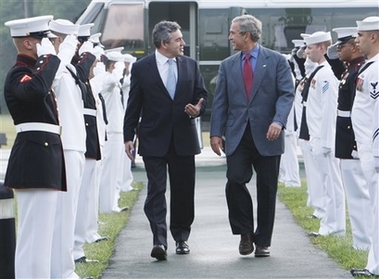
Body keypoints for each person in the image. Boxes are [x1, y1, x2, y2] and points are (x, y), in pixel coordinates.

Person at [210, 14, 294, 257]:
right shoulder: (227, 65)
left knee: (267, 190)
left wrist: (278, 120)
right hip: (237, 135)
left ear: (246, 35)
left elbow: (286, 94)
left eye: (233, 33)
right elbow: (220, 101)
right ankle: (245, 232)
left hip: (268, 135)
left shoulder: (277, 61)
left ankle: (263, 241)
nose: (229, 37)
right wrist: (216, 132)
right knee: (235, 180)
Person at [123, 20, 208, 260]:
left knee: (183, 191)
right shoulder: (142, 68)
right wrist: (128, 136)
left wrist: (198, 109)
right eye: (179, 39)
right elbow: (134, 104)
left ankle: (181, 237)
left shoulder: (191, 65)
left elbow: (202, 95)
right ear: (163, 43)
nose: (184, 43)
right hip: (153, 139)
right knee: (156, 190)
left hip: (183, 139)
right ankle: (159, 240)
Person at [3, 15, 66, 278]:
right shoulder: (20, 74)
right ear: (29, 43)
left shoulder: (33, 73)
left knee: (41, 235)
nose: (50, 45)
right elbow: (36, 90)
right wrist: (48, 59)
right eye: (44, 40)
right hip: (34, 157)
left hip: (42, 155)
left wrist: (47, 61)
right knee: (34, 235)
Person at [330, 27, 372, 250]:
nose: (338, 50)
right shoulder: (350, 70)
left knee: (359, 194)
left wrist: (356, 143)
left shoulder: (358, 72)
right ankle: (361, 242)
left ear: (355, 46)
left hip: (352, 139)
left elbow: (361, 112)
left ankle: (365, 243)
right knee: (354, 194)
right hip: (346, 137)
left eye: (342, 46)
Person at [303, 31, 346, 237]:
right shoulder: (318, 72)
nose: (306, 51)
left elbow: (329, 109)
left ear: (321, 48)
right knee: (326, 182)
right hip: (317, 136)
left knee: (332, 183)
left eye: (310, 47)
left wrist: (327, 142)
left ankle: (335, 227)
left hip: (324, 138)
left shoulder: (326, 75)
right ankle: (329, 224)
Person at [350, 16, 379, 277]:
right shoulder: (370, 67)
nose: (356, 40)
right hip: (368, 148)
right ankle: (374, 263)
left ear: (374, 36)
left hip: (376, 151)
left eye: (360, 35)